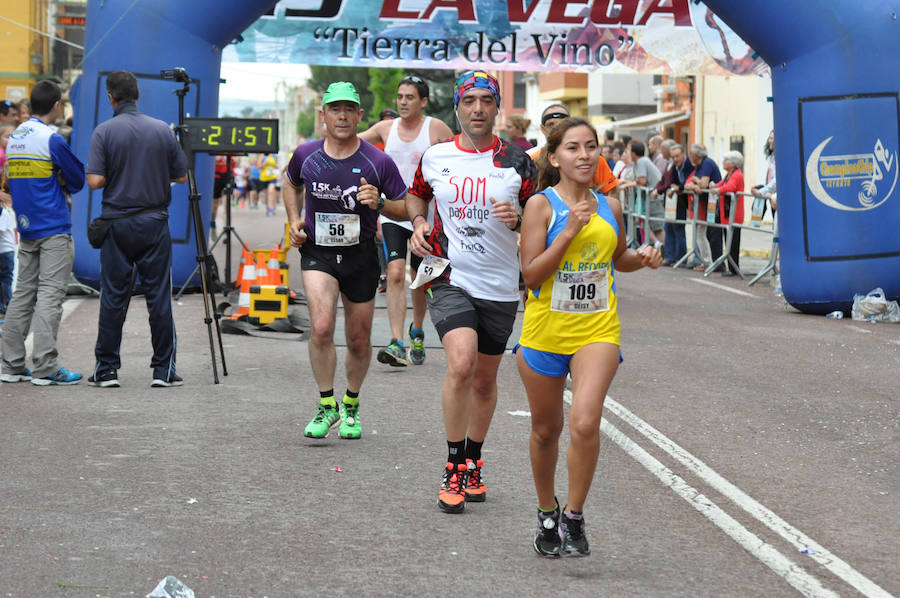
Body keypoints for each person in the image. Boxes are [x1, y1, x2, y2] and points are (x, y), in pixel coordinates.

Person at [516, 117, 662, 557]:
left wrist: (645, 256)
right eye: (573, 148)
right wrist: (570, 230)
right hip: (545, 332)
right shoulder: (541, 207)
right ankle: (547, 512)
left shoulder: (610, 206)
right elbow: (532, 274)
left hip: (598, 329)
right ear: (555, 157)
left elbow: (619, 259)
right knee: (546, 430)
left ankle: (574, 516)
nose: (584, 155)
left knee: (584, 422)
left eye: (591, 147)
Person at [407, 70, 537, 514]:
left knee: (484, 380)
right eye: (470, 101)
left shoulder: (520, 163)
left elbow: (541, 216)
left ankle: (473, 460)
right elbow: (415, 196)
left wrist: (520, 219)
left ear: (497, 108)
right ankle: (452, 465)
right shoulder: (436, 156)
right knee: (460, 364)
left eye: (486, 101)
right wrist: (419, 223)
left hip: (500, 283)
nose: (478, 109)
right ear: (457, 107)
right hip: (449, 276)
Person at [283, 81, 409, 440]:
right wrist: (294, 220)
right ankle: (326, 405)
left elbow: (407, 205)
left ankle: (351, 403)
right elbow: (290, 183)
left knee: (358, 337)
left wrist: (381, 203)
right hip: (319, 252)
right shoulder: (305, 154)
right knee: (321, 327)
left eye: (348, 109)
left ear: (359, 115)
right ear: (323, 115)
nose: (342, 116)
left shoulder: (377, 160)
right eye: (335, 109)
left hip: (361, 255)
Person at [85, 70, 188, 388]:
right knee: (158, 296)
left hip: (116, 225)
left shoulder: (103, 132)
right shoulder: (161, 130)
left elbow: (94, 181)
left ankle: (106, 369)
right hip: (154, 223)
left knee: (113, 296)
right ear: (138, 95)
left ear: (110, 97)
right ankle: (163, 370)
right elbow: (182, 177)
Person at [359, 74, 453, 367]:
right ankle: (397, 342)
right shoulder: (386, 128)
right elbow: (351, 142)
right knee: (396, 272)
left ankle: (417, 330)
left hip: (427, 216)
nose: (403, 102)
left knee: (422, 279)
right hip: (393, 211)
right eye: (400, 97)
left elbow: (459, 158)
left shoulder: (435, 128)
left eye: (410, 97)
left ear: (423, 101)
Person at [1, 80, 84, 385]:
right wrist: (60, 177)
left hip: (26, 225)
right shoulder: (52, 139)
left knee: (22, 294)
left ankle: (10, 364)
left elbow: (11, 181)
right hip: (53, 226)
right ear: (56, 106)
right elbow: (77, 180)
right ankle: (46, 367)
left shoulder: (16, 136)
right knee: (50, 295)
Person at [529, 104, 618, 199]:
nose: (556, 128)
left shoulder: (595, 160)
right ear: (543, 129)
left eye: (562, 123)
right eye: (551, 124)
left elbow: (612, 192)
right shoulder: (532, 160)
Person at [684, 144, 723, 270]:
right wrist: (695, 183)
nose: (689, 157)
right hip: (706, 204)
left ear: (696, 155)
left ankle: (712, 262)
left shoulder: (707, 164)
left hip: (714, 204)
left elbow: (704, 185)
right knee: (702, 233)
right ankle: (707, 261)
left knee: (711, 234)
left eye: (691, 154)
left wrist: (696, 182)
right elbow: (689, 184)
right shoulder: (699, 166)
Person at [709, 150, 745, 275]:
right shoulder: (728, 174)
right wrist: (714, 186)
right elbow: (722, 184)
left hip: (734, 214)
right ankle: (732, 267)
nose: (723, 162)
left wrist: (717, 190)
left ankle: (734, 268)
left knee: (733, 242)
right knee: (728, 240)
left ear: (733, 163)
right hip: (727, 214)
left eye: (726, 160)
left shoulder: (737, 174)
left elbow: (730, 187)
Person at [657, 143, 693, 265]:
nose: (676, 159)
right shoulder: (673, 166)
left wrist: (678, 188)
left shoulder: (689, 165)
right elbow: (671, 180)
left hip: (685, 201)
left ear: (684, 154)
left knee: (679, 229)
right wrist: (674, 186)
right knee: (669, 227)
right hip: (674, 201)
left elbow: (689, 181)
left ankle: (681, 258)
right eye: (674, 157)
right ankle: (670, 256)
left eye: (678, 156)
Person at [629, 140, 664, 247]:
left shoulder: (641, 162)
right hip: (653, 197)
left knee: (653, 224)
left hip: (654, 197)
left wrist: (631, 183)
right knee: (650, 224)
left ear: (633, 153)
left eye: (629, 151)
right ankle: (659, 246)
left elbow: (642, 180)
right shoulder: (642, 161)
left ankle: (659, 245)